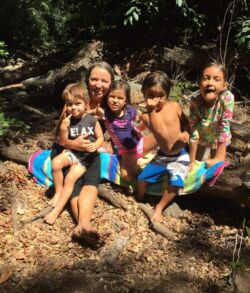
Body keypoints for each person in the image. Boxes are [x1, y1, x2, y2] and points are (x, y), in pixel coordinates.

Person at [49, 61, 114, 240]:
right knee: (74, 182)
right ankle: (84, 225)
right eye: (94, 79)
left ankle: (83, 225)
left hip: (91, 152)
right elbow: (58, 137)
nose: (99, 85)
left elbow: (118, 135)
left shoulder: (112, 103)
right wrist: (73, 145)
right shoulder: (74, 100)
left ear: (111, 84)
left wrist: (105, 143)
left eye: (104, 81)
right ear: (87, 80)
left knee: (91, 180)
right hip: (69, 150)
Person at [44, 83, 104, 225]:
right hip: (72, 152)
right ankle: (58, 192)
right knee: (56, 163)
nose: (73, 107)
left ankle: (56, 211)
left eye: (78, 103)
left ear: (86, 104)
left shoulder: (92, 120)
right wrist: (64, 128)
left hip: (85, 158)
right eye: (69, 104)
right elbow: (62, 141)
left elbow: (100, 137)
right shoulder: (67, 120)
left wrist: (95, 145)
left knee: (70, 178)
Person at [136, 71, 190, 222]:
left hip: (180, 154)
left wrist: (186, 132)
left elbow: (187, 123)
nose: (156, 100)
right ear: (143, 93)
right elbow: (159, 132)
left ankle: (159, 207)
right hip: (162, 156)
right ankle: (139, 197)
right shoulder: (146, 116)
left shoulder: (175, 107)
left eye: (161, 96)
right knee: (142, 179)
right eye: (151, 95)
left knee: (176, 183)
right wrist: (151, 110)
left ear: (167, 94)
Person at [189, 62, 234, 170]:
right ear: (199, 83)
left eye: (216, 79)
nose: (210, 82)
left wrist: (219, 157)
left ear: (224, 86)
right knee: (198, 166)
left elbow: (224, 126)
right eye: (206, 78)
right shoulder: (196, 102)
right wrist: (191, 161)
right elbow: (193, 128)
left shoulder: (227, 98)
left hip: (219, 136)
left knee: (216, 167)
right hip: (202, 137)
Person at [103, 80, 143, 182]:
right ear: (107, 97)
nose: (115, 101)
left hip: (140, 142)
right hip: (126, 150)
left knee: (161, 136)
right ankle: (136, 165)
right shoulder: (104, 113)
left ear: (126, 100)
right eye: (112, 96)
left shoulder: (130, 110)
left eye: (120, 98)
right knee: (127, 177)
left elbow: (137, 119)